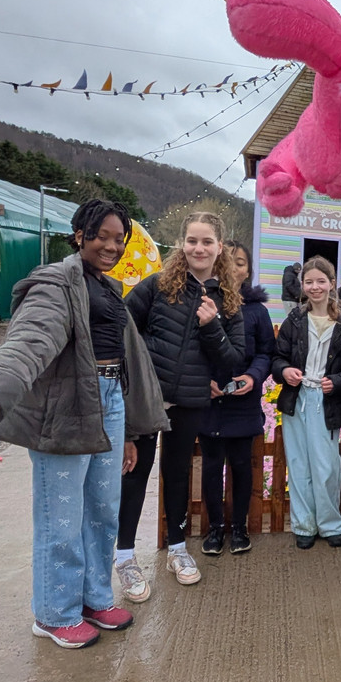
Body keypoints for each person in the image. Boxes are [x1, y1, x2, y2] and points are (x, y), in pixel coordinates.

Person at [0, 199, 167, 648]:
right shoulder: (56, 281)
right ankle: (55, 612)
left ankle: (93, 598)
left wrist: (129, 432)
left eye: (118, 239)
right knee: (63, 516)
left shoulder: (110, 288)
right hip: (70, 406)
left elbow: (126, 361)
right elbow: (31, 338)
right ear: (79, 235)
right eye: (101, 236)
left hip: (111, 402)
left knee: (102, 511)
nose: (111, 246)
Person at [116, 211, 244, 597]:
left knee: (176, 474)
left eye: (207, 241)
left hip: (190, 402)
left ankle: (176, 548)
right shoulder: (156, 286)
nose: (199, 248)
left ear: (219, 247)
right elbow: (123, 329)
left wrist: (213, 327)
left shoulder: (228, 299)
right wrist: (136, 374)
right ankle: (124, 557)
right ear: (181, 244)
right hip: (146, 399)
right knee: (135, 475)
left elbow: (233, 361)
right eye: (192, 240)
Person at [274, 256, 341, 548]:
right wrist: (284, 371)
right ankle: (304, 525)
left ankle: (330, 523)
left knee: (326, 466)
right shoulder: (295, 320)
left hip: (327, 401)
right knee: (298, 464)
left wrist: (338, 383)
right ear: (302, 285)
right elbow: (277, 358)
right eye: (309, 281)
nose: (315, 287)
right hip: (296, 398)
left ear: (332, 284)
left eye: (321, 281)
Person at [198, 241, 275, 556]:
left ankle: (240, 528)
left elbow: (267, 352)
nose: (233, 267)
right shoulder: (202, 303)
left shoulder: (257, 311)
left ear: (248, 269)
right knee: (212, 465)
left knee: (243, 465)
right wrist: (204, 382)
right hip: (210, 400)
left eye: (240, 262)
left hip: (243, 399)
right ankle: (216, 528)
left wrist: (254, 376)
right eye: (227, 261)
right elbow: (190, 349)